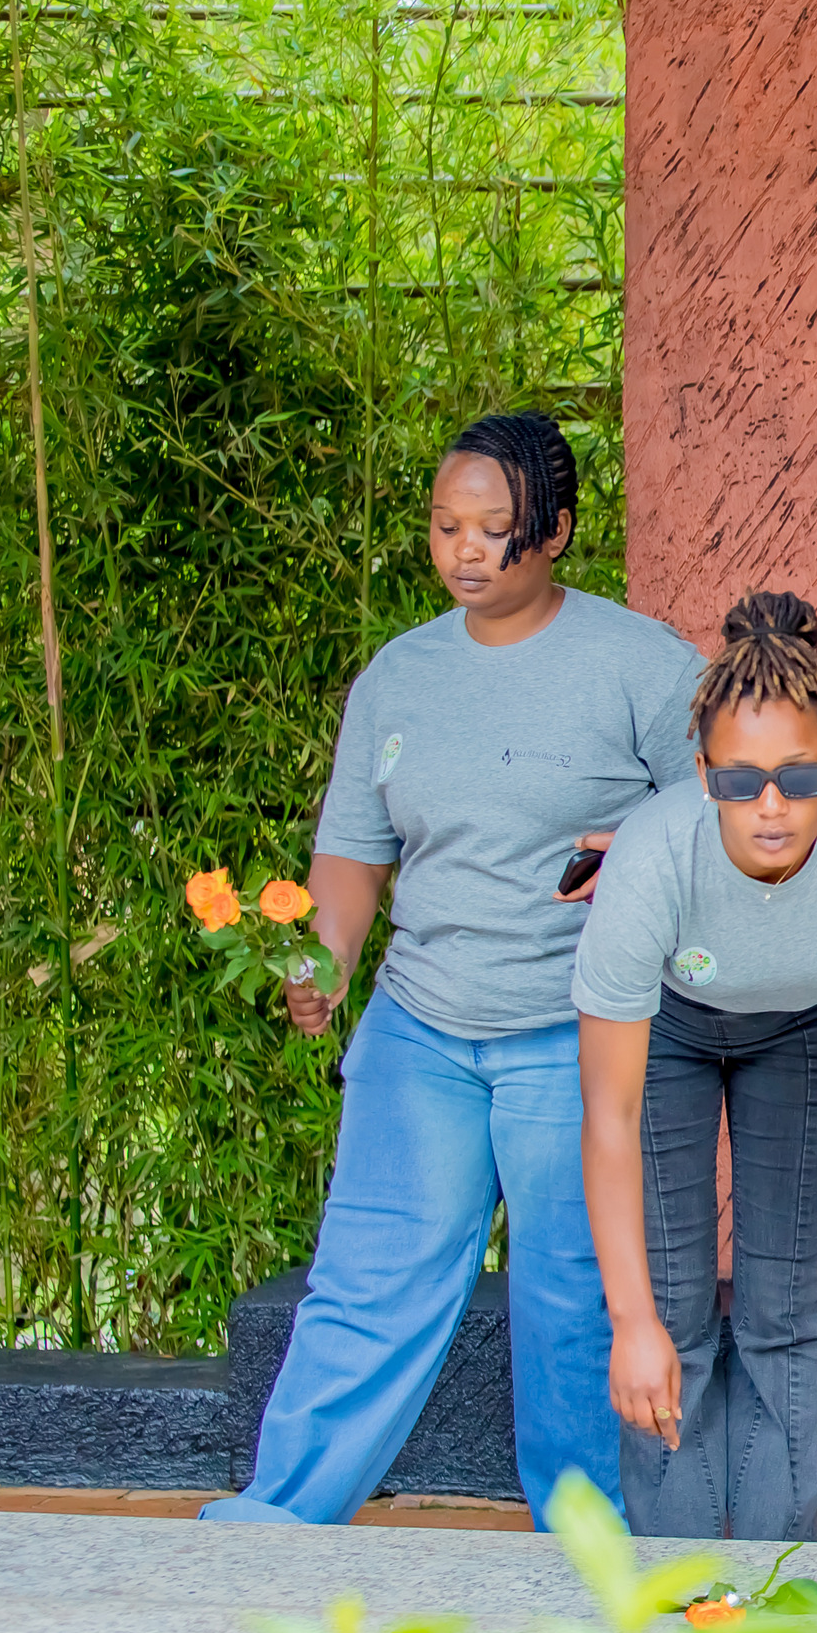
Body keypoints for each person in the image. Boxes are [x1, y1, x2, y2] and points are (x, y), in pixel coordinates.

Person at [202, 413, 702, 1529]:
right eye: (445, 526)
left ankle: (588, 1554)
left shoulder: (643, 665)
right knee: (365, 1286)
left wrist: (640, 844)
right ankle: (276, 1523)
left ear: (556, 531)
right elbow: (354, 853)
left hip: (574, 1033)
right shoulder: (399, 675)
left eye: (494, 527)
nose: (465, 550)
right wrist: (326, 960)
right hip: (420, 1029)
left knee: (571, 1302)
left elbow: (724, 811)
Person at [572, 592, 817, 1541]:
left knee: (783, 1308)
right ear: (701, 775)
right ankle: (678, 1580)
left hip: (809, 1030)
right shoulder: (650, 864)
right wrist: (630, 1322)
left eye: (799, 778)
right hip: (672, 1033)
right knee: (671, 1308)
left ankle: (775, 1576)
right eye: (738, 782)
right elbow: (608, 1118)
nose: (771, 807)